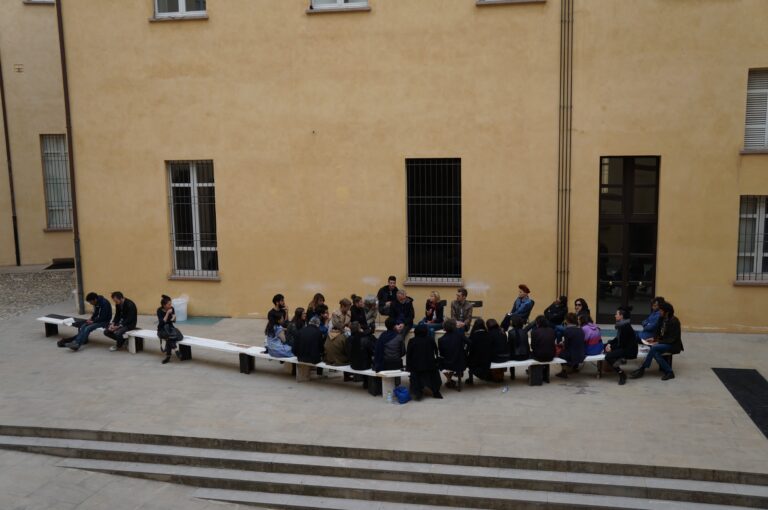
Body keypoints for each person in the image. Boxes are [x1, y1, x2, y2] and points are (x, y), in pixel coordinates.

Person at [630, 301, 683, 381]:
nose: (659, 312)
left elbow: (672, 338)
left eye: (661, 311)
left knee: (654, 348)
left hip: (672, 344)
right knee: (656, 353)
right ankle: (669, 372)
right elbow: (657, 332)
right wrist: (654, 338)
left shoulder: (674, 321)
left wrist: (658, 342)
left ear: (667, 312)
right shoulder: (661, 319)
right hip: (664, 342)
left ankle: (642, 369)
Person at [406, 324, 444, 400]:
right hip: (430, 366)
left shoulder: (412, 341)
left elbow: (408, 356)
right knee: (433, 374)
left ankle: (418, 392)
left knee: (415, 375)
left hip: (416, 367)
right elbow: (436, 352)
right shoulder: (430, 340)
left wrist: (408, 367)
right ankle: (435, 391)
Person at [605, 306, 638, 385]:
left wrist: (611, 348)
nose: (615, 316)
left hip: (629, 350)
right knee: (605, 346)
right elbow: (617, 339)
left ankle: (621, 374)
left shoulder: (626, 327)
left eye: (616, 314)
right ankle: (619, 361)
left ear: (621, 316)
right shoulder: (622, 325)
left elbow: (622, 344)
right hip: (624, 347)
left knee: (608, 356)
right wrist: (609, 344)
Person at [438, 318, 467, 388]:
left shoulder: (441, 340)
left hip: (447, 364)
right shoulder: (459, 335)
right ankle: (449, 380)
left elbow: (442, 354)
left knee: (438, 360)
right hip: (460, 363)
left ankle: (449, 380)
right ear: (454, 326)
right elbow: (470, 343)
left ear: (444, 328)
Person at [557, 313, 585, 378]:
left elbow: (566, 346)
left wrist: (562, 344)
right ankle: (573, 368)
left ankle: (564, 371)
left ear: (567, 320)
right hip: (581, 354)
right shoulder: (581, 330)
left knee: (560, 353)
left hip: (572, 356)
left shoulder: (567, 331)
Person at [347, 322, 374, 388]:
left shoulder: (349, 339)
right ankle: (366, 382)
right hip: (365, 366)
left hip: (353, 365)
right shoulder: (365, 338)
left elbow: (348, 352)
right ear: (359, 329)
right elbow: (372, 352)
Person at [157, 294, 181, 364]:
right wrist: (167, 313)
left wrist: (174, 318)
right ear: (164, 305)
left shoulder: (172, 308)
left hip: (170, 328)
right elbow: (162, 322)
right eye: (169, 304)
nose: (170, 305)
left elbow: (173, 321)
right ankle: (176, 350)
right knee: (169, 337)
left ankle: (168, 357)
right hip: (161, 329)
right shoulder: (159, 310)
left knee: (174, 336)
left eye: (171, 304)